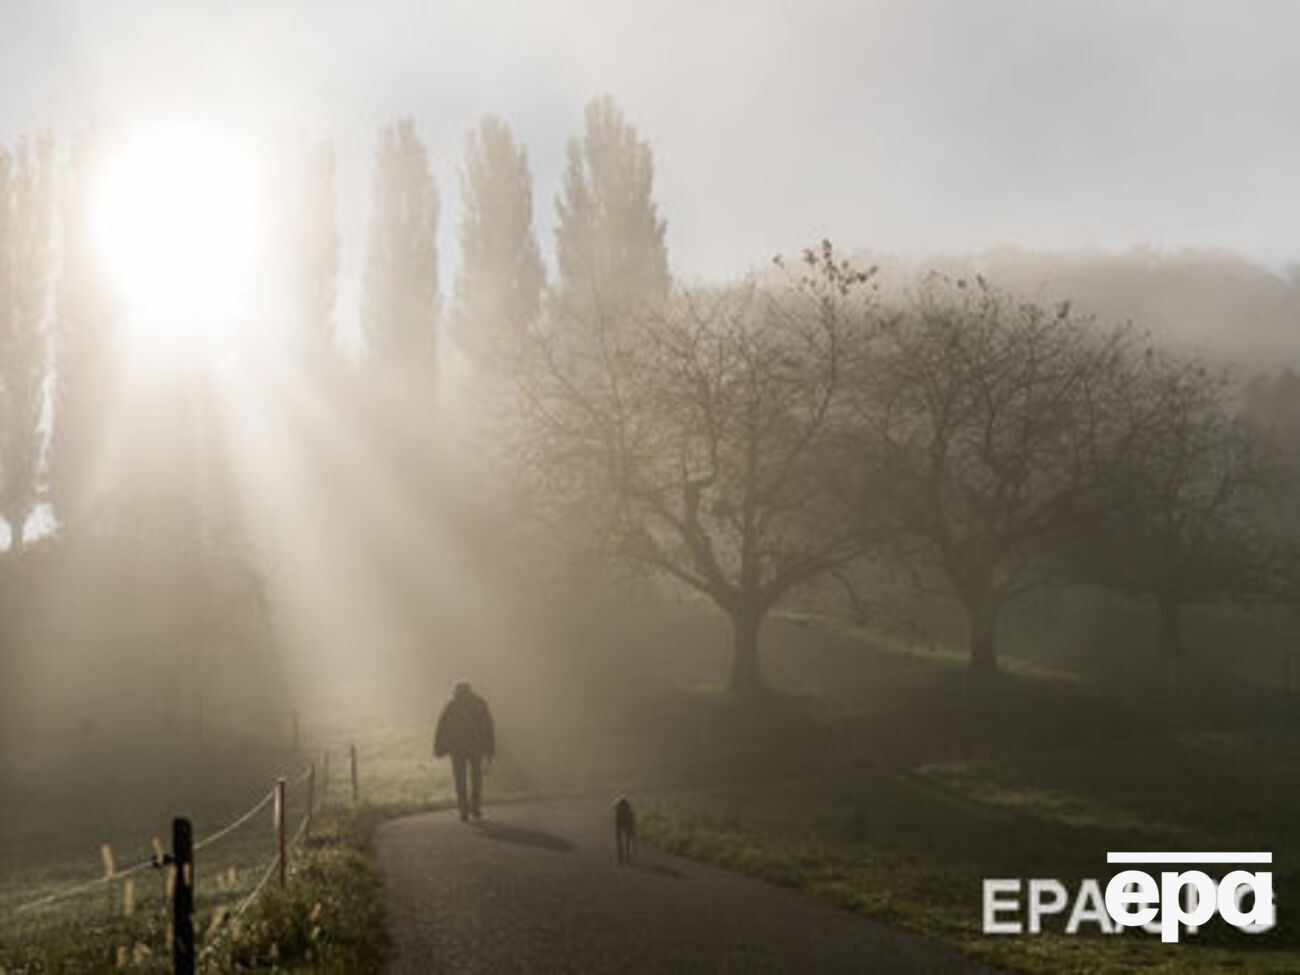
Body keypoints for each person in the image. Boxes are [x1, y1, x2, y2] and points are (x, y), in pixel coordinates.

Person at [434, 679, 495, 821]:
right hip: (473, 747)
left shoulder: (452, 706)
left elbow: (442, 729)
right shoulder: (479, 704)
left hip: (459, 748)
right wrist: (489, 749)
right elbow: (488, 727)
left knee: (461, 779)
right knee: (475, 778)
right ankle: (474, 808)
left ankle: (465, 809)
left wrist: (440, 748)